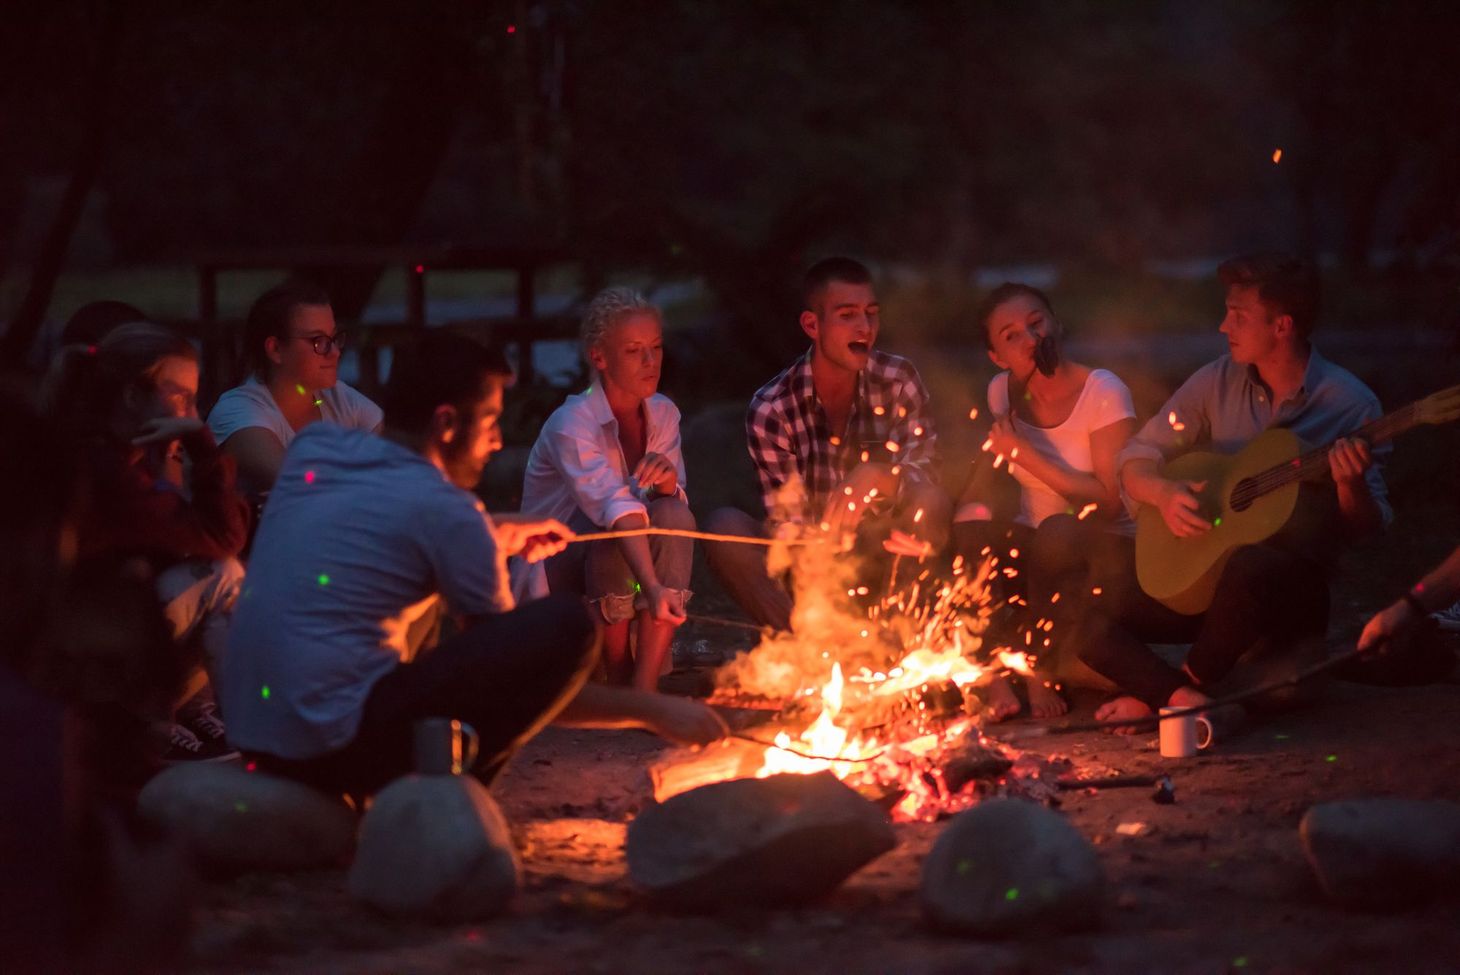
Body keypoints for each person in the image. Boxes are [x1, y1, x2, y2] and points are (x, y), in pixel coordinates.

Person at [221, 331, 727, 799]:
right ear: (446, 423)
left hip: (255, 730)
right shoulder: (448, 513)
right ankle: (452, 798)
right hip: (332, 746)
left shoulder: (317, 448)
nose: (497, 442)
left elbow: (386, 516)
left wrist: (496, 530)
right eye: (489, 422)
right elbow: (513, 681)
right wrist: (655, 710)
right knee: (564, 625)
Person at [1053, 254, 1390, 728]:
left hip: (1279, 597)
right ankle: (1180, 695)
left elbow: (1368, 529)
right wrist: (1161, 492)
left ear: (1282, 326)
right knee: (1067, 568)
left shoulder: (1351, 404)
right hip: (1200, 582)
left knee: (1253, 563)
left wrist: (1349, 483)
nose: (1222, 325)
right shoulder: (1217, 379)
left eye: (1239, 316)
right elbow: (1138, 453)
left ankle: (1161, 693)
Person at [704, 257, 951, 631]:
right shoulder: (773, 407)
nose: (865, 328)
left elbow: (928, 474)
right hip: (813, 560)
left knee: (930, 503)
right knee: (724, 527)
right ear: (812, 325)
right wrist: (827, 560)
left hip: (891, 551)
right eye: (847, 315)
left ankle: (905, 636)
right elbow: (787, 522)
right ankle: (809, 646)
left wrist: (879, 475)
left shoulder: (898, 379)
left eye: (871, 313)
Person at [45, 322, 250, 761]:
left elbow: (197, 531)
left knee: (214, 571)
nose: (191, 412)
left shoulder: (131, 455)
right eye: (181, 396)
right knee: (223, 574)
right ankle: (230, 723)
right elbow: (221, 537)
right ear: (133, 396)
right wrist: (202, 447)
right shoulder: (105, 468)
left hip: (106, 628)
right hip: (85, 647)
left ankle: (193, 714)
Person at [952, 283, 1137, 719]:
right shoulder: (1002, 392)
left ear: (1057, 324)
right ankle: (995, 670)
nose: (1031, 340)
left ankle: (1038, 669)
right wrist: (965, 519)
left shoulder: (1103, 391)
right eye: (1011, 335)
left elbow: (1111, 501)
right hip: (1033, 548)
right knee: (970, 528)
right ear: (997, 356)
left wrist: (1027, 457)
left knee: (1054, 533)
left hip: (1098, 547)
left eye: (1036, 325)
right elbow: (988, 473)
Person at [521, 287, 695, 690]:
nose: (651, 362)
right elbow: (611, 507)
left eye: (656, 347)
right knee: (613, 527)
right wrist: (650, 588)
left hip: (625, 561)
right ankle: (616, 673)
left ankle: (644, 686)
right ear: (599, 357)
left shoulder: (663, 412)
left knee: (673, 513)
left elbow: (670, 510)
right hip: (561, 567)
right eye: (635, 351)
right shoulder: (572, 422)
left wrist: (669, 485)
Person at [206, 281, 382, 499]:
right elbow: (297, 478)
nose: (335, 352)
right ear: (276, 349)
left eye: (334, 338)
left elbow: (384, 470)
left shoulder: (342, 401)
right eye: (319, 341)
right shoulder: (239, 413)